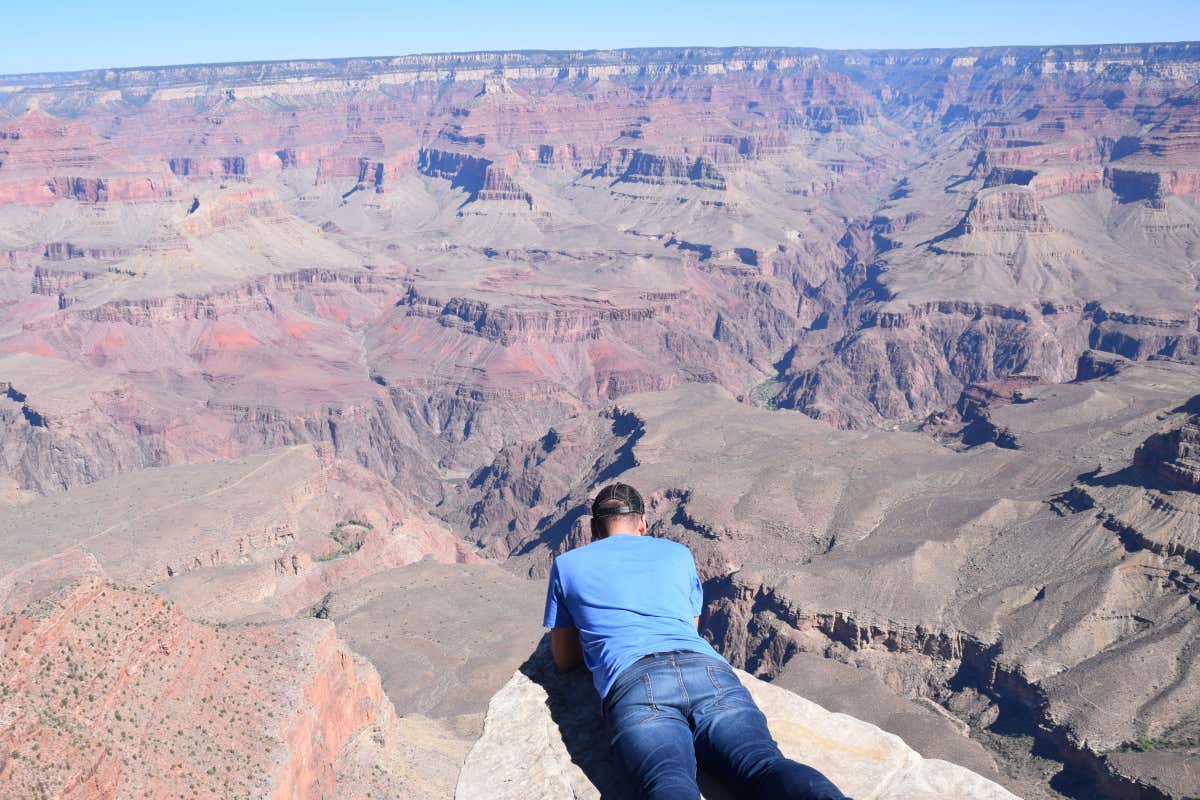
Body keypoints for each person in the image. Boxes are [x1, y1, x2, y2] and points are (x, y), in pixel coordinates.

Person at [543, 482, 847, 800]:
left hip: (635, 685)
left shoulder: (568, 566)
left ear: (593, 528)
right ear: (642, 522)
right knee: (763, 765)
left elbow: (565, 661)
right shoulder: (678, 553)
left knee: (668, 781)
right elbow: (692, 626)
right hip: (707, 671)